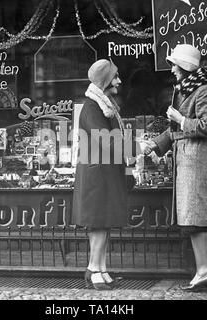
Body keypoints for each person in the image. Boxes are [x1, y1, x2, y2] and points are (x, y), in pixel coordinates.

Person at [143, 44, 207, 292]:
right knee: (201, 218)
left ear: (187, 67)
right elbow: (175, 131)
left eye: (176, 65)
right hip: (191, 159)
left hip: (198, 159)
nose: (173, 69)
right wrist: (155, 145)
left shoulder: (204, 91)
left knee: (197, 219)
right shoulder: (187, 90)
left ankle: (203, 272)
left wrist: (181, 119)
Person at [72, 59, 138, 290]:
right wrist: (136, 146)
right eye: (115, 76)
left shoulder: (103, 105)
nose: (119, 80)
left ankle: (99, 267)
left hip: (104, 174)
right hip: (97, 176)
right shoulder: (92, 107)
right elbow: (106, 140)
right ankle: (93, 268)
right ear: (105, 81)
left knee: (103, 223)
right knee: (99, 224)